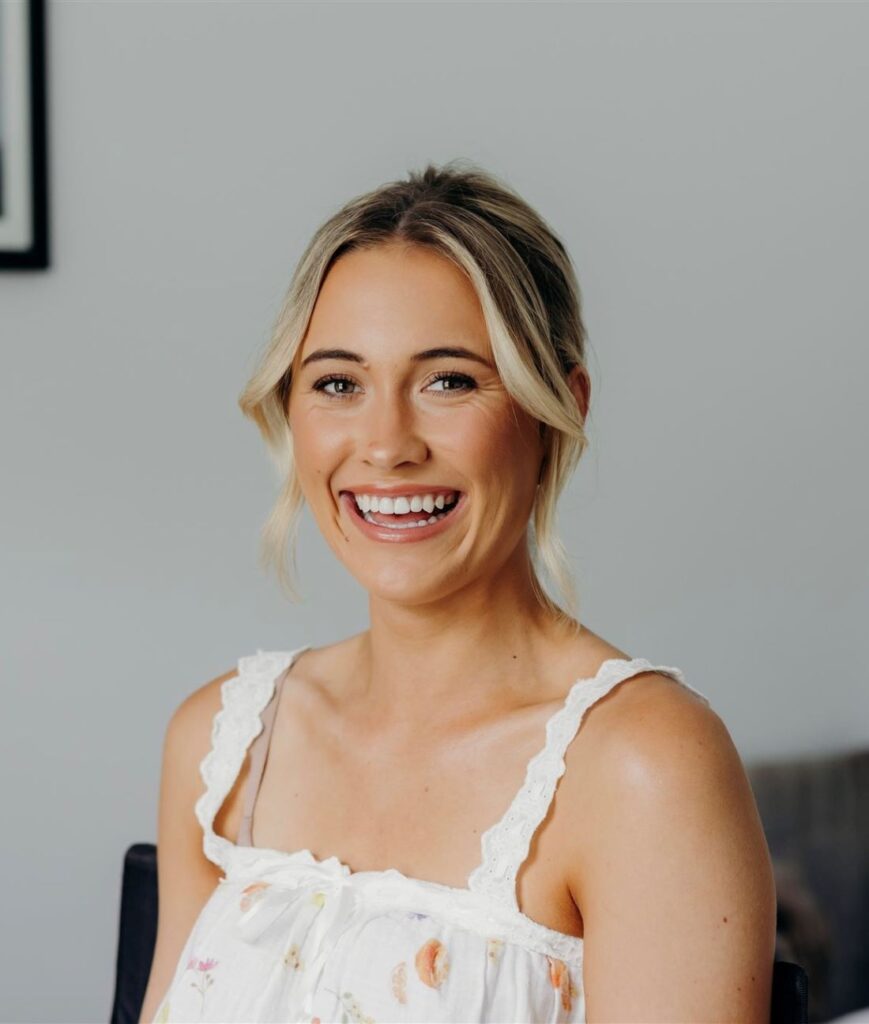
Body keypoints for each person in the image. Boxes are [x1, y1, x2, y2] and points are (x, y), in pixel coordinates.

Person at [139, 161, 776, 1023]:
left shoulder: (643, 765)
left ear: (557, 410)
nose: (386, 444)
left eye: (448, 380)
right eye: (338, 383)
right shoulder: (220, 741)